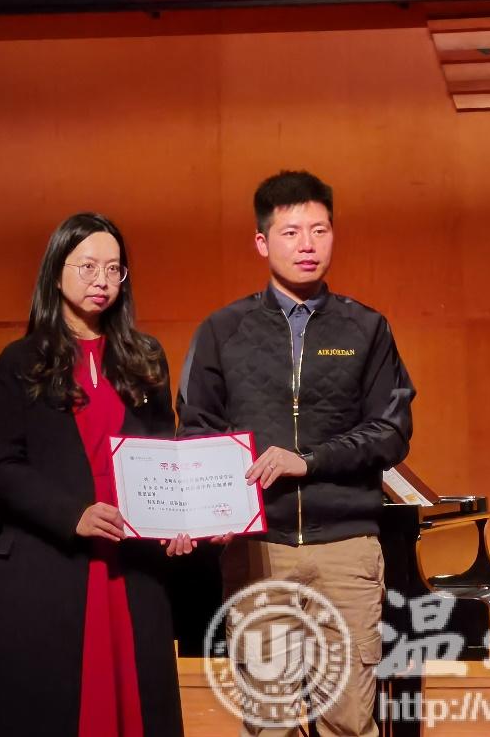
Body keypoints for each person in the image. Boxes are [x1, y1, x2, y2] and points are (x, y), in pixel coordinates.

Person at [177, 170, 415, 737]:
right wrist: (210, 511)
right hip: (260, 550)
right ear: (262, 242)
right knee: (271, 723)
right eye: (291, 232)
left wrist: (308, 459)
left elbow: (392, 430)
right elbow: (196, 432)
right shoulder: (222, 331)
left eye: (319, 230)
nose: (307, 244)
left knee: (349, 721)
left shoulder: (366, 328)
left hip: (348, 550)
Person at [0, 212, 191, 737]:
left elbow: (166, 455)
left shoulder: (146, 357)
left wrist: (177, 520)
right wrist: (73, 515)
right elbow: (3, 463)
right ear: (56, 272)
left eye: (114, 269)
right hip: (51, 563)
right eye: (88, 266)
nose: (102, 280)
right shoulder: (19, 361)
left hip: (132, 564)